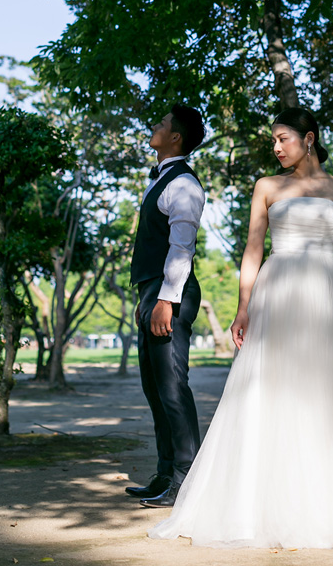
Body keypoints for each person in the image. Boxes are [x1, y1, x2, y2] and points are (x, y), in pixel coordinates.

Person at [148, 107, 333, 549]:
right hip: (276, 293)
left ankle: (324, 503)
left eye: (282, 138)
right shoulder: (267, 187)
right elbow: (253, 250)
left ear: (308, 138)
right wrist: (243, 306)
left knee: (325, 394)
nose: (276, 147)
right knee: (268, 390)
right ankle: (257, 503)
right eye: (274, 140)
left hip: (327, 296)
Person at [124, 103, 206, 509]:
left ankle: (186, 480)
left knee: (173, 388)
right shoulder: (160, 179)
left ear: (176, 136)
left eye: (161, 123)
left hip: (169, 294)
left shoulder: (184, 184)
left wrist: (165, 301)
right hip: (152, 292)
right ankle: (164, 473)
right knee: (154, 389)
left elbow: (181, 247)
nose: (153, 126)